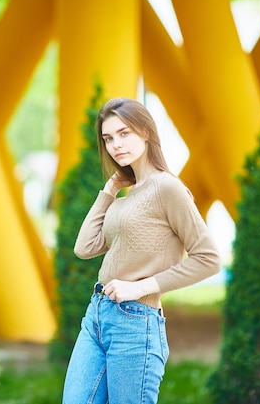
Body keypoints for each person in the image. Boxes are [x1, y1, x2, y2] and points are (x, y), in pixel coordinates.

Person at [62, 97, 221, 404]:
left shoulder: (168, 189)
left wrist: (139, 288)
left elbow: (209, 259)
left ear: (146, 132)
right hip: (97, 314)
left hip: (135, 323)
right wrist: (109, 191)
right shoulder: (126, 197)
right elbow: (84, 247)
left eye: (124, 133)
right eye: (108, 138)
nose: (115, 145)